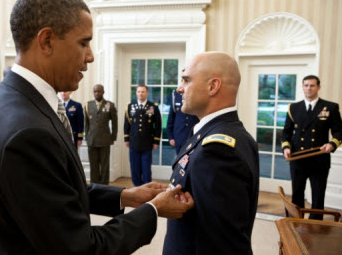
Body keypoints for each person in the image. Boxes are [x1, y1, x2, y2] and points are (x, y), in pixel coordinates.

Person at [0, 0, 194, 254]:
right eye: (84, 43)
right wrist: (153, 211)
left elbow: (55, 193)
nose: (90, 56)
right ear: (47, 41)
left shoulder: (10, 98)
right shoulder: (27, 132)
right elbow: (82, 249)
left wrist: (125, 196)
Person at [163, 52, 259, 255]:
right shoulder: (226, 133)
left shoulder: (217, 149)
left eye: (186, 80)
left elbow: (222, 243)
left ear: (213, 86)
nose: (179, 88)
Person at [281, 75, 342, 220]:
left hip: (319, 160)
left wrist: (332, 144)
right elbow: (286, 133)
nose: (309, 88)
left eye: (312, 85)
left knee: (318, 197)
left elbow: (339, 132)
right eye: (306, 85)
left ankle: (315, 228)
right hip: (297, 159)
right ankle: (296, 224)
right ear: (302, 87)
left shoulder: (330, 107)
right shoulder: (293, 108)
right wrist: (286, 148)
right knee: (297, 196)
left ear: (318, 87)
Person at [124, 85, 162, 186]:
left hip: (147, 142)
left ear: (147, 93)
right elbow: (127, 123)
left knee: (146, 168)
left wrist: (156, 141)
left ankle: (146, 188)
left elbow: (158, 125)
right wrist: (126, 138)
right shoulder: (130, 106)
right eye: (139, 91)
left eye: (143, 92)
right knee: (134, 167)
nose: (141, 93)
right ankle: (136, 187)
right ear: (136, 93)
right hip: (134, 142)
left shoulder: (153, 106)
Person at [84, 84, 118, 184]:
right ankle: (94, 185)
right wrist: (87, 137)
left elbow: (115, 123)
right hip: (92, 140)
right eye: (95, 91)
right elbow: (86, 124)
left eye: (99, 91)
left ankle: (104, 186)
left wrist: (113, 137)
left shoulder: (109, 105)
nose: (97, 93)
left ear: (103, 92)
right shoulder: (87, 105)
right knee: (93, 165)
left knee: (104, 165)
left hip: (105, 140)